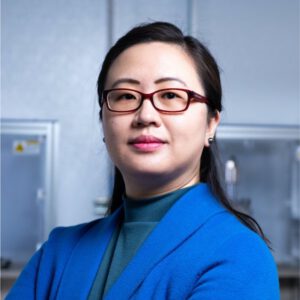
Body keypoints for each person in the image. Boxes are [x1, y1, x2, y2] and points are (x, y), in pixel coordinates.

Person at [7, 22, 279, 300]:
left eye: (171, 95)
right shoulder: (58, 254)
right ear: (103, 122)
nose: (145, 115)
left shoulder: (239, 255)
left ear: (211, 123)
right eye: (125, 96)